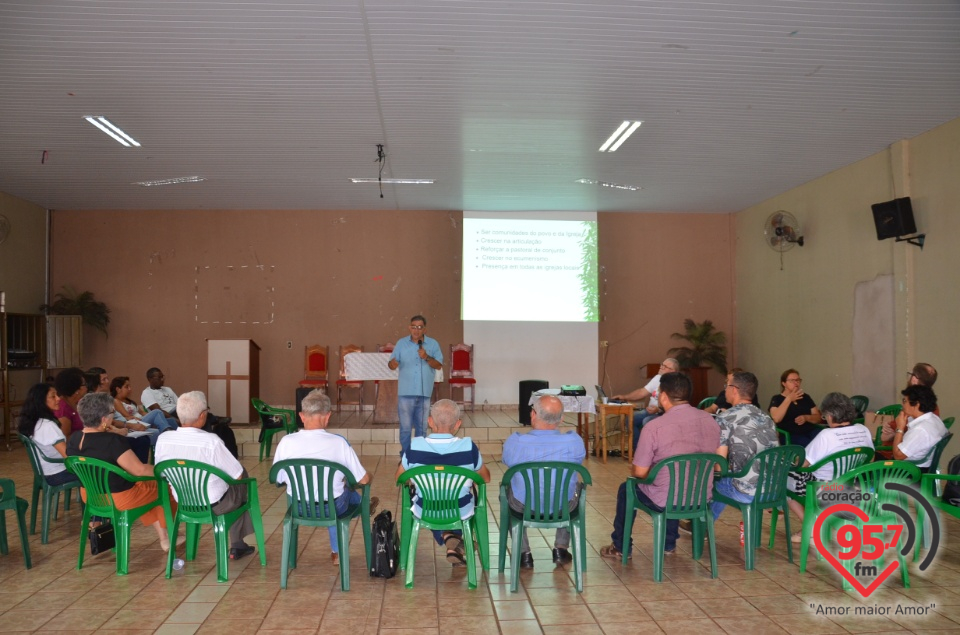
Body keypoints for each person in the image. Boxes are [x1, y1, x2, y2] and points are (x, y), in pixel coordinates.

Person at [601, 372, 722, 559]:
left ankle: (620, 546)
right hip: (700, 497)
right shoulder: (711, 422)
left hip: (665, 499)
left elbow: (640, 473)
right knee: (676, 480)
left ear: (664, 396)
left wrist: (639, 469)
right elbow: (717, 465)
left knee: (628, 488)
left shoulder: (654, 426)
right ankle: (668, 543)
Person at [273, 389, 379, 567]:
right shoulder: (338, 443)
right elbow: (363, 480)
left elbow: (278, 478)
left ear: (301, 415)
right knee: (345, 490)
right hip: (333, 507)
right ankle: (362, 508)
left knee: (331, 490)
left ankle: (331, 550)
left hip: (299, 506)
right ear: (327, 416)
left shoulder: (286, 442)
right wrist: (370, 475)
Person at [66, 392, 176, 551]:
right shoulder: (113, 441)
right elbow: (140, 470)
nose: (113, 417)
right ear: (104, 419)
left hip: (90, 496)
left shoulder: (75, 439)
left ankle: (164, 537)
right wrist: (166, 472)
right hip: (119, 498)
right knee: (164, 487)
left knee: (149, 489)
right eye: (112, 413)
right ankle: (168, 536)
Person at [154, 391, 256, 560]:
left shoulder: (163, 439)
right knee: (242, 479)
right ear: (202, 415)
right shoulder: (211, 441)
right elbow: (237, 476)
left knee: (235, 484)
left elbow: (163, 473)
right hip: (216, 504)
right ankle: (237, 544)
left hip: (184, 503)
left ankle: (238, 545)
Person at [396, 399, 490, 567]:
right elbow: (486, 478)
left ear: (430, 422)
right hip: (460, 510)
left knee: (429, 498)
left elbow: (399, 478)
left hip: (425, 509)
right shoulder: (469, 447)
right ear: (458, 424)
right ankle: (453, 540)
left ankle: (449, 538)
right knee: (464, 494)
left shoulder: (415, 446)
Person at [502, 394, 585, 569]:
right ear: (561, 418)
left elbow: (507, 461)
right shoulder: (575, 442)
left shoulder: (515, 442)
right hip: (563, 507)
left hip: (523, 507)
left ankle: (523, 553)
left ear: (533, 414)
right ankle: (561, 549)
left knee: (506, 492)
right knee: (572, 487)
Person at [785, 392, 873, 542]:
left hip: (824, 490)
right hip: (853, 487)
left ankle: (810, 525)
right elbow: (870, 459)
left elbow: (803, 464)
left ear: (830, 415)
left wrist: (788, 461)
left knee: (784, 477)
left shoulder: (826, 435)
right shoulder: (863, 430)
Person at [708, 371, 779, 521]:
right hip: (774, 490)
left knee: (712, 484)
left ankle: (703, 528)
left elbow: (719, 467)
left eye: (726, 385)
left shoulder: (725, 418)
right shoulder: (766, 418)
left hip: (747, 492)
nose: (725, 389)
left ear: (734, 390)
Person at [56, 367, 151, 462]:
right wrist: (109, 432)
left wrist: (108, 429)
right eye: (84, 384)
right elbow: (66, 439)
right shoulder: (63, 409)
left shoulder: (78, 402)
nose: (86, 387)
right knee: (126, 442)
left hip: (92, 439)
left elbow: (97, 422)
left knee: (138, 440)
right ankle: (134, 471)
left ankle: (131, 468)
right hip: (84, 448)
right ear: (76, 389)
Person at [143, 368, 236, 456]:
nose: (162, 379)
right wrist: (176, 418)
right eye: (159, 377)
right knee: (198, 413)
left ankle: (211, 425)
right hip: (168, 415)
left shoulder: (168, 389)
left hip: (179, 411)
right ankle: (214, 420)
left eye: (163, 376)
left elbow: (180, 403)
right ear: (150, 379)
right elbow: (157, 411)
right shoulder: (147, 393)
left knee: (199, 411)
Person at [388, 315, 443, 456]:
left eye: (419, 327)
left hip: (424, 393)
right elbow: (391, 364)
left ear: (424, 329)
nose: (416, 330)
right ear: (409, 327)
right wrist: (393, 364)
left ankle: (420, 456)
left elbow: (438, 365)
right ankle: (406, 457)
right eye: (414, 327)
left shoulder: (433, 344)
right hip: (405, 393)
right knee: (405, 428)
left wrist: (427, 357)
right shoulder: (401, 343)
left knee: (422, 428)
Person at [16, 383, 82, 487]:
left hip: (44, 472)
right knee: (100, 471)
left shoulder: (35, 422)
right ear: (41, 401)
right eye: (53, 396)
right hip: (57, 474)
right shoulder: (48, 426)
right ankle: (99, 502)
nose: (58, 399)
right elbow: (68, 456)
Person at [613, 358, 681, 454]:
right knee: (630, 419)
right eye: (662, 364)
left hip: (663, 414)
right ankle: (638, 452)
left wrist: (659, 409)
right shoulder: (658, 378)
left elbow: (675, 406)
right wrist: (624, 397)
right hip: (650, 411)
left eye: (665, 366)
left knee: (647, 421)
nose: (661, 367)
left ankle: (650, 453)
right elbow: (642, 392)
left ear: (673, 371)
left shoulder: (676, 384)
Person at [881, 362, 940, 444]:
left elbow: (887, 437)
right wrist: (889, 426)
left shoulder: (914, 405)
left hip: (894, 451)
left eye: (911, 374)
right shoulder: (932, 406)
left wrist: (895, 432)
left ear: (915, 379)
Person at [891, 385, 948, 469]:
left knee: (870, 462)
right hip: (924, 466)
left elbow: (897, 456)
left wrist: (899, 428)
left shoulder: (920, 430)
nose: (902, 404)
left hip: (909, 471)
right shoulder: (934, 419)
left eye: (904, 401)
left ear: (916, 404)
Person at [768, 368, 821, 447]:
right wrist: (789, 399)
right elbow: (776, 418)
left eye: (798, 380)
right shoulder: (777, 399)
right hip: (790, 434)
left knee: (824, 440)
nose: (796, 383)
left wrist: (806, 417)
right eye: (792, 381)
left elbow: (818, 418)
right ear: (784, 383)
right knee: (809, 444)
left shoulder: (805, 397)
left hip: (809, 430)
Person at [111, 376, 178, 435]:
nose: (130, 389)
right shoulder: (116, 401)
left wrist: (151, 417)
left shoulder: (129, 401)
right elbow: (128, 416)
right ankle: (168, 433)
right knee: (157, 411)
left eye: (129, 386)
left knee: (170, 421)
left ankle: (177, 437)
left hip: (143, 420)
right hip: (135, 423)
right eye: (126, 387)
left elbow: (142, 412)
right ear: (118, 389)